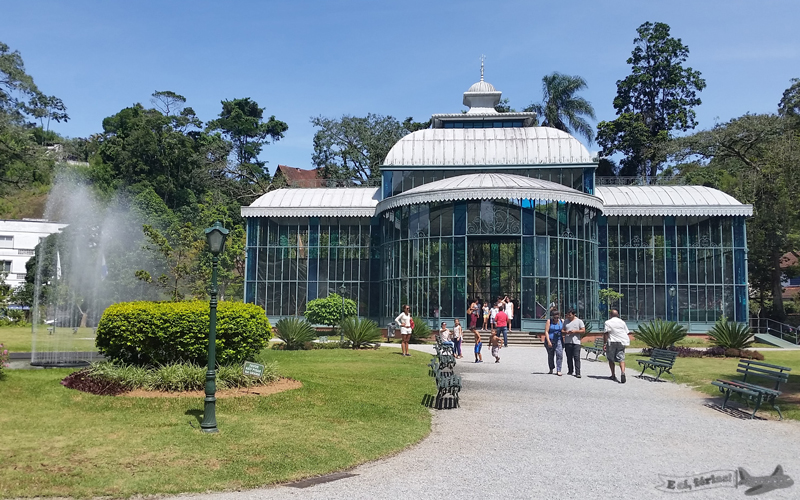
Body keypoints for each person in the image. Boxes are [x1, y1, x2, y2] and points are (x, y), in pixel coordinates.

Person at [604, 309, 631, 383]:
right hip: (621, 341)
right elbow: (627, 332)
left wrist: (604, 343)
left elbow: (606, 333)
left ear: (610, 315)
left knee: (610, 358)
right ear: (618, 315)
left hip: (612, 341)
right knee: (621, 357)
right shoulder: (622, 322)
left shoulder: (608, 322)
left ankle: (613, 375)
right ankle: (622, 372)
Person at [563, 309, 585, 378]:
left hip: (576, 342)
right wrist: (565, 332)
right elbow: (562, 330)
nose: (568, 317)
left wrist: (575, 331)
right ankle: (570, 370)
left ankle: (578, 372)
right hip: (568, 341)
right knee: (569, 357)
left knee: (576, 357)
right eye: (567, 315)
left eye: (570, 315)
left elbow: (583, 330)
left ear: (574, 314)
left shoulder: (579, 321)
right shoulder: (566, 321)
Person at [544, 309, 564, 375]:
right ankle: (551, 368)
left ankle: (559, 369)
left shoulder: (561, 321)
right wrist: (548, 341)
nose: (556, 319)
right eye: (554, 317)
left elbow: (564, 330)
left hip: (558, 339)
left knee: (559, 354)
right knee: (551, 355)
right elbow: (546, 332)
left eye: (557, 317)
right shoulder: (549, 321)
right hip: (550, 339)